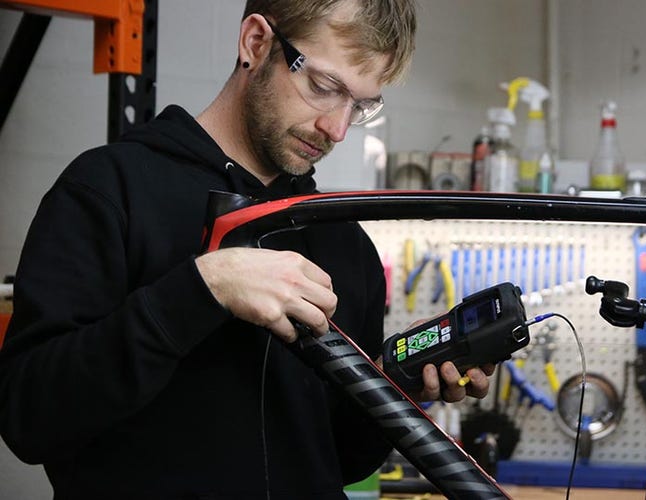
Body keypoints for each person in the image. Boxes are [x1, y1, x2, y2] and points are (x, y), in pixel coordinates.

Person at [0, 1, 494, 498]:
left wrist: (394, 388)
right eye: (324, 88)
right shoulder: (108, 190)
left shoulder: (346, 245)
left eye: (361, 106)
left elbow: (339, 458)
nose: (337, 129)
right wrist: (202, 288)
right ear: (256, 43)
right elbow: (29, 418)